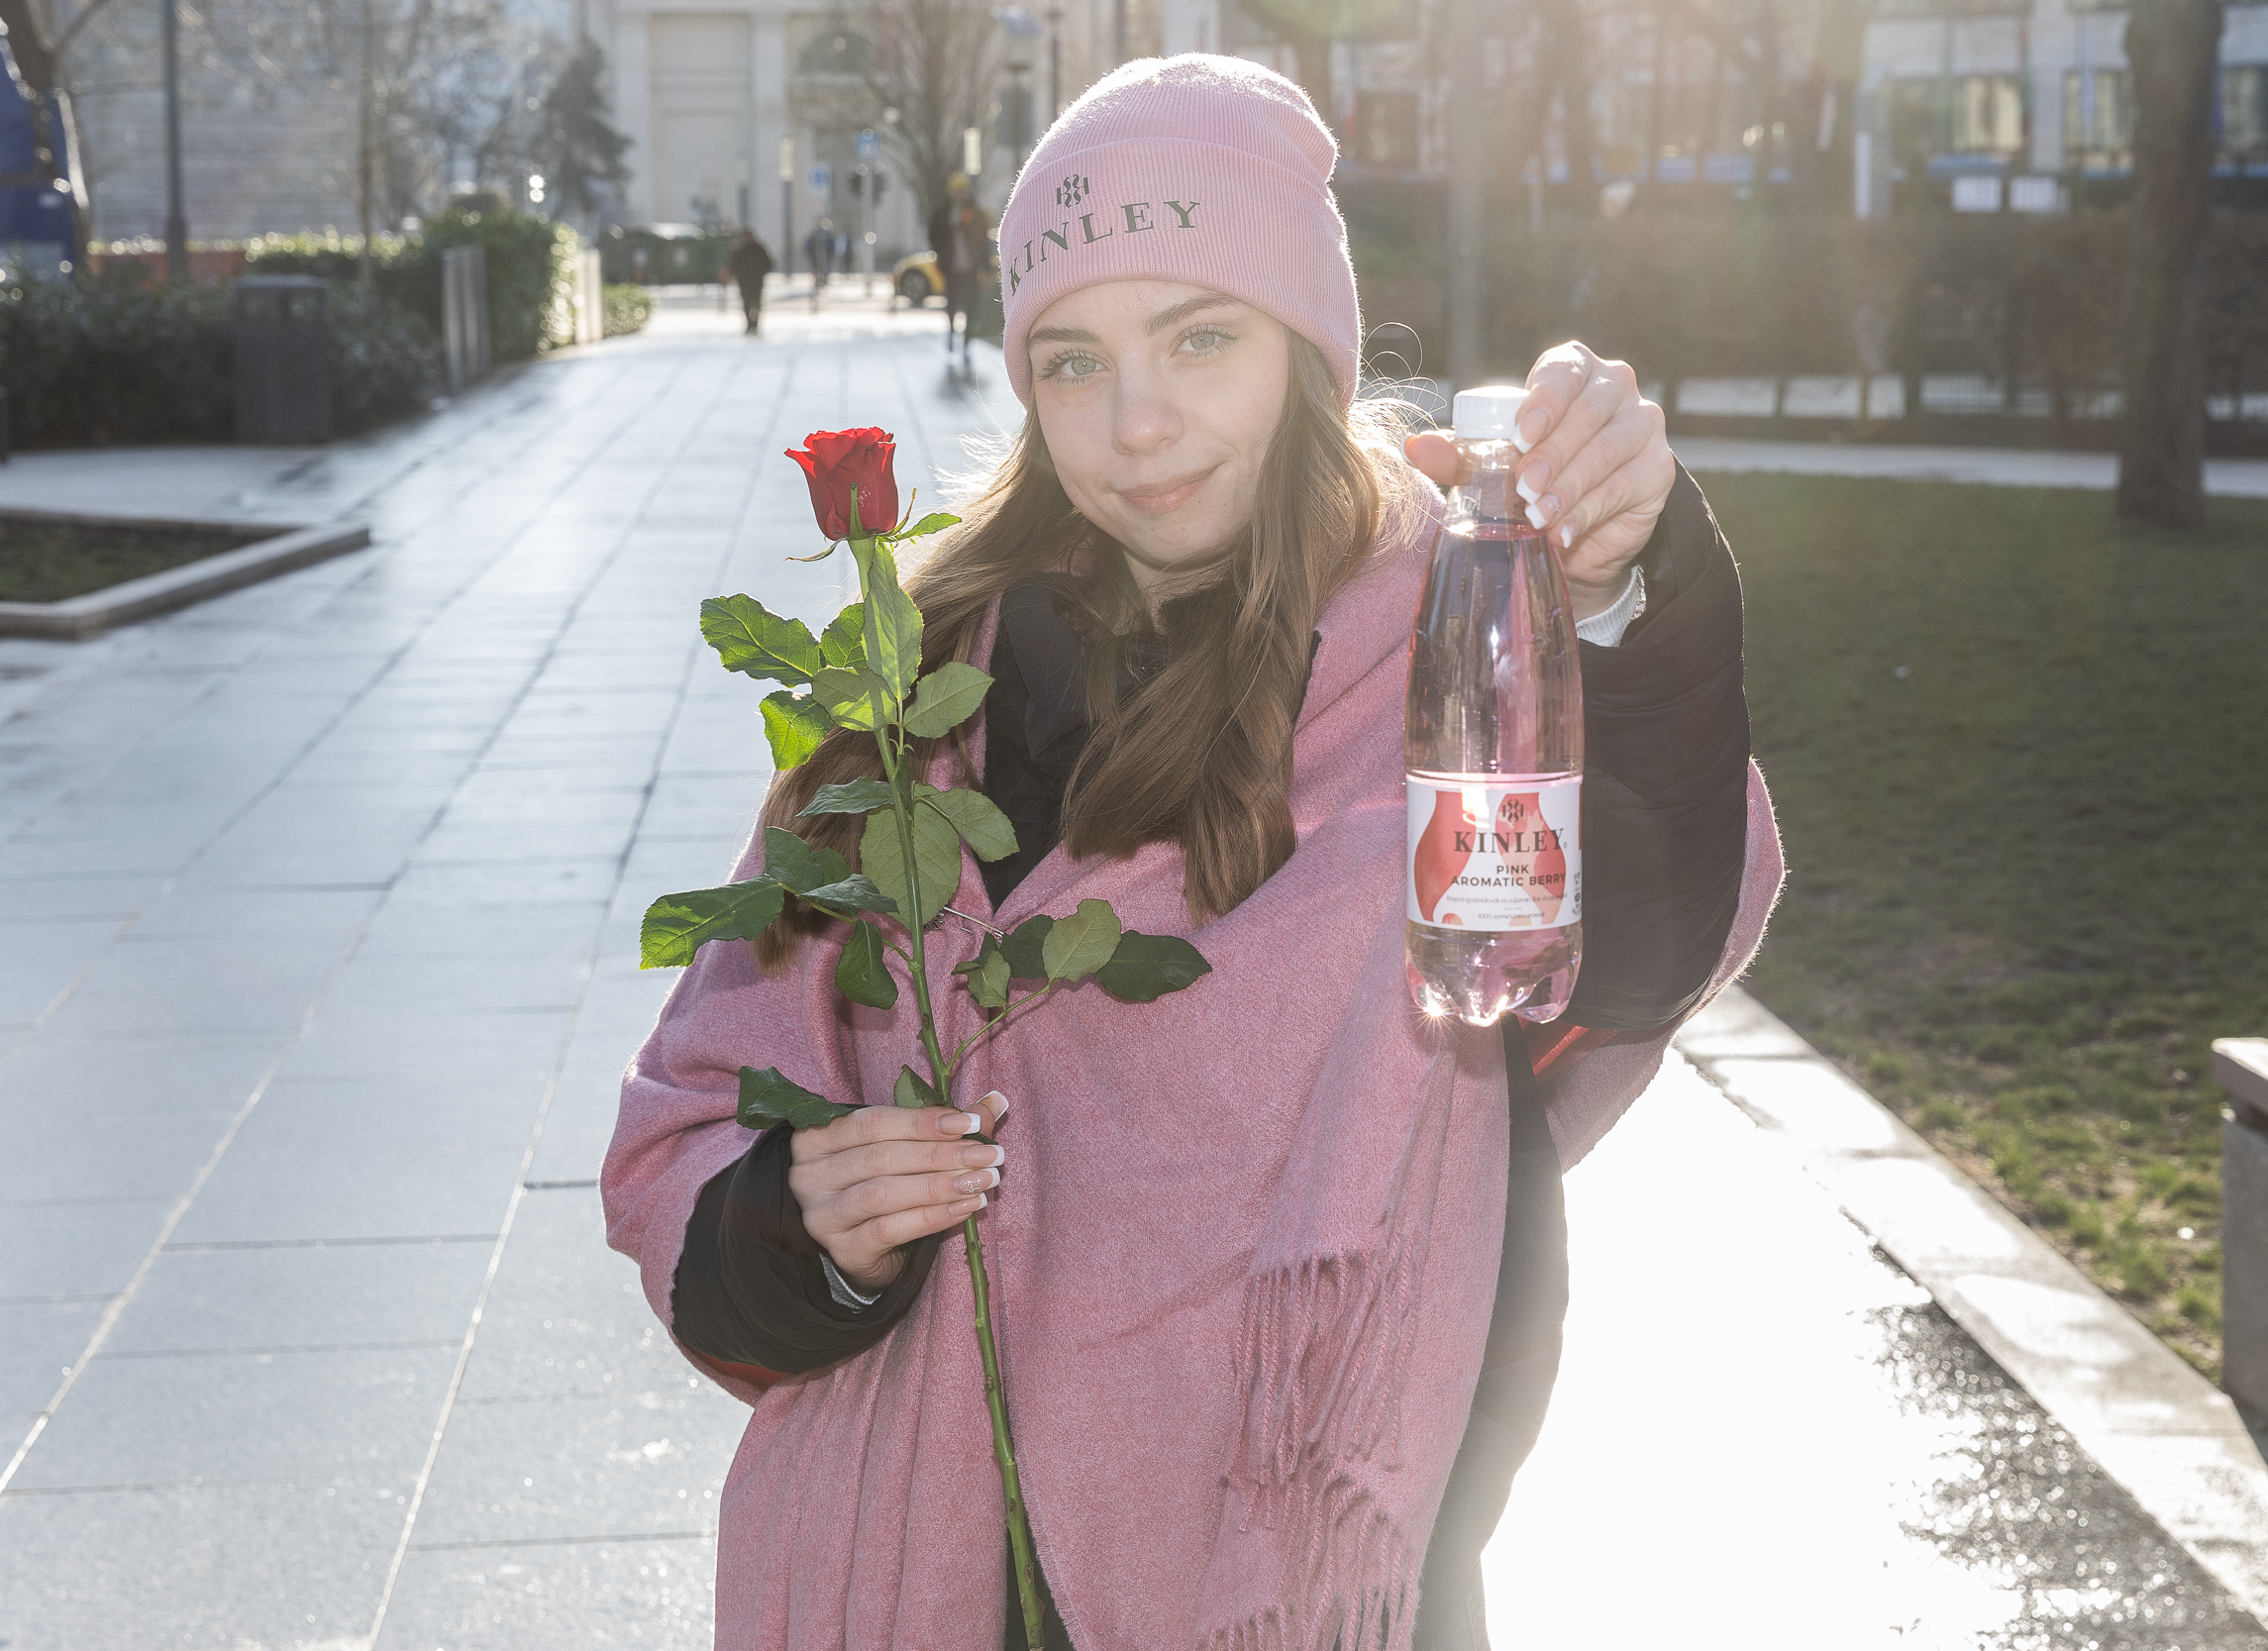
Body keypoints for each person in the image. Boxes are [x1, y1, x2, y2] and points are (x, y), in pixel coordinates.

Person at [605, 54, 1782, 1651]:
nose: (1136, 420)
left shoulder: (1456, 637)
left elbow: (1628, 952)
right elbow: (686, 1124)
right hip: (920, 1574)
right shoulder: (912, 690)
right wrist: (800, 1225)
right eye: (1074, 359)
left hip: (1295, 1590)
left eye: (1201, 338)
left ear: (1308, 346)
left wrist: (1631, 596)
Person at [929, 173, 992, 361]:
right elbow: (933, 235)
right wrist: (942, 253)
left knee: (971, 306)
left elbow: (983, 244)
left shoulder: (975, 213)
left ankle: (966, 343)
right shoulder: (942, 213)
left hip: (971, 268)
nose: (960, 194)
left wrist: (987, 270)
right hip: (951, 267)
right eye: (957, 191)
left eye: (963, 191)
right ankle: (951, 333)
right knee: (952, 303)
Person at [725, 228, 773, 334]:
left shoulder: (759, 249)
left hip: (757, 280)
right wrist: (733, 275)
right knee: (747, 303)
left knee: (756, 303)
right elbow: (732, 265)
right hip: (744, 281)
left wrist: (760, 272)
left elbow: (769, 264)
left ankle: (754, 324)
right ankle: (749, 324)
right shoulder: (738, 250)